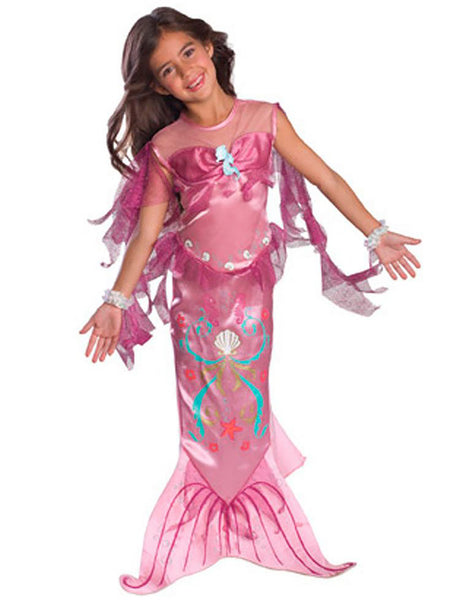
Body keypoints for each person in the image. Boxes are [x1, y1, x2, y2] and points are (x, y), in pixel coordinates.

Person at [79, 7, 421, 594]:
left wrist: (374, 232)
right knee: (204, 404)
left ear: (209, 47)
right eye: (166, 70)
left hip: (251, 292)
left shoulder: (265, 118)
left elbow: (326, 177)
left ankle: (248, 507)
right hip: (196, 295)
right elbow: (146, 233)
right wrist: (116, 299)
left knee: (247, 394)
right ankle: (205, 511)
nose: (184, 71)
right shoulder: (166, 146)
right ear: (158, 87)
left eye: (188, 53)